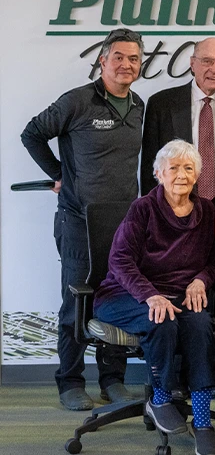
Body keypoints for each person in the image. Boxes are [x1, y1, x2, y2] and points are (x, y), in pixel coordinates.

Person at [20, 28, 143, 411]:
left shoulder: (138, 105)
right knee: (76, 301)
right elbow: (32, 134)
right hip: (79, 221)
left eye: (134, 58)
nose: (126, 64)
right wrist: (59, 174)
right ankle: (70, 381)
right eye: (118, 57)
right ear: (102, 60)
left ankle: (112, 380)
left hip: (124, 224)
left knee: (119, 297)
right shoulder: (77, 101)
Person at [94, 140, 215, 455]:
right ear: (158, 174)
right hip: (126, 293)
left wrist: (201, 280)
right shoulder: (143, 208)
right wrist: (150, 295)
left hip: (180, 295)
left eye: (188, 168)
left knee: (201, 326)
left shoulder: (207, 211)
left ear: (197, 175)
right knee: (162, 320)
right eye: (173, 168)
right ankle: (161, 398)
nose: (181, 174)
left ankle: (202, 421)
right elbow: (120, 260)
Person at [141, 37, 215, 198]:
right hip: (177, 201)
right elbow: (149, 165)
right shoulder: (162, 104)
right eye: (207, 61)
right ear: (192, 64)